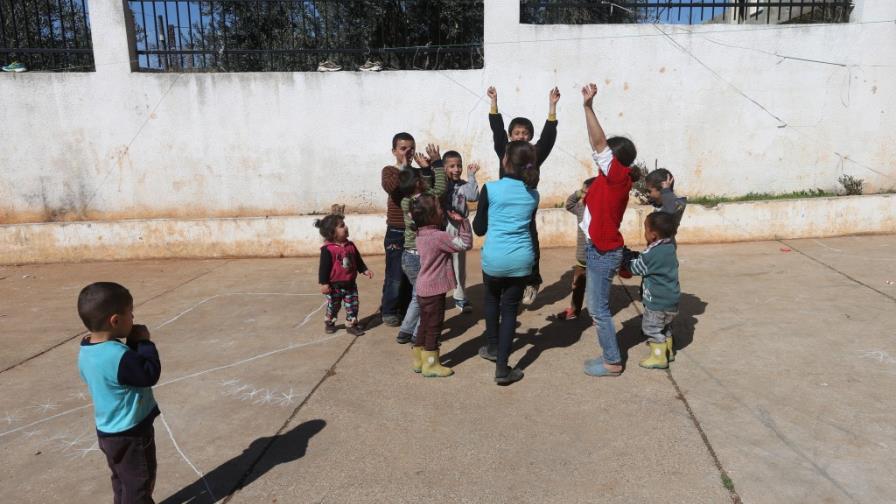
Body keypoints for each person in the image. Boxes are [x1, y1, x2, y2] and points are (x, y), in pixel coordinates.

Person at [77, 282, 161, 504]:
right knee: (139, 484)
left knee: (122, 480)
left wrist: (130, 346)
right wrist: (143, 342)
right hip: (131, 433)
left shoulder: (86, 349)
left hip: (107, 432)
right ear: (115, 320)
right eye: (130, 314)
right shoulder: (118, 355)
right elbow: (148, 374)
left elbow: (120, 373)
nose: (133, 318)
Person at [578, 82, 640, 378]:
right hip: (597, 249)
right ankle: (610, 356)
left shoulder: (617, 177)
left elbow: (599, 143)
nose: (598, 157)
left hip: (604, 252)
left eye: (605, 157)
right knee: (596, 308)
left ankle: (612, 362)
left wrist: (588, 108)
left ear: (615, 160)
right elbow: (599, 148)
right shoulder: (608, 179)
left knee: (598, 310)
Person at [472, 141, 539, 385]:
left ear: (505, 161)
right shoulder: (533, 194)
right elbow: (530, 228)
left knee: (491, 300)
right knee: (510, 309)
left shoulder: (490, 189)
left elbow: (479, 229)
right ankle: (502, 368)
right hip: (522, 260)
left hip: (494, 259)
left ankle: (491, 346)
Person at [486, 86, 561, 306]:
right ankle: (505, 285)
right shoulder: (505, 152)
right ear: (510, 137)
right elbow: (497, 130)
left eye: (525, 133)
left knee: (530, 243)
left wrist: (552, 108)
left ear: (530, 137)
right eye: (517, 133)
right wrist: (493, 104)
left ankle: (532, 281)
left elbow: (548, 138)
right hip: (502, 212)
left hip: (525, 211)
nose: (521, 136)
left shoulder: (535, 154)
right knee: (501, 246)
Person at [410, 194, 473, 377]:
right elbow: (465, 244)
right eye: (439, 209)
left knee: (424, 324)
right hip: (434, 290)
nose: (443, 211)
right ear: (431, 216)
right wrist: (464, 223)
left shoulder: (420, 234)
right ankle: (431, 364)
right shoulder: (438, 237)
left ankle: (418, 360)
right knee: (434, 327)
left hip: (422, 288)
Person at [395, 144, 447, 344]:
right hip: (421, 256)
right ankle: (418, 334)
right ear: (417, 183)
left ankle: (406, 331)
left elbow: (423, 188)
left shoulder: (407, 201)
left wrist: (422, 170)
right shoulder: (425, 200)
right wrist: (437, 163)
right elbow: (440, 189)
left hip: (408, 255)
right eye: (420, 179)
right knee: (425, 298)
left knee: (418, 296)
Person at [623, 212, 680, 369]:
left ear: (653, 235)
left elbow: (635, 268)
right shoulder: (669, 248)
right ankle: (669, 352)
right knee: (665, 327)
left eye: (645, 229)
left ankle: (658, 357)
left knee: (651, 328)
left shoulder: (651, 254)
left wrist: (625, 257)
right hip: (672, 301)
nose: (644, 233)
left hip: (657, 302)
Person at [380, 132, 421, 327]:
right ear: (394, 151)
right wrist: (404, 168)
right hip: (396, 231)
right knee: (395, 274)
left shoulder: (416, 172)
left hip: (414, 231)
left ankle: (406, 309)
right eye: (403, 148)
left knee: (410, 273)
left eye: (411, 148)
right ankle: (389, 309)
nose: (408, 152)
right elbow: (391, 188)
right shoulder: (390, 170)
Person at [316, 212, 373, 336]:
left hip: (350, 284)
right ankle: (329, 322)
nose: (346, 227)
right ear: (332, 232)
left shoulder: (350, 245)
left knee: (353, 306)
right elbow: (324, 268)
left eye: (344, 225)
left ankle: (351, 324)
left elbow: (357, 259)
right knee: (333, 307)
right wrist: (324, 283)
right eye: (342, 226)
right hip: (334, 287)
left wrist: (364, 270)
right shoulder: (328, 249)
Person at [441, 150, 480, 313]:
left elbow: (474, 196)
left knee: (459, 263)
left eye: (459, 166)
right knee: (440, 264)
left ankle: (460, 296)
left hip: (460, 228)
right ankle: (439, 296)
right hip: (443, 227)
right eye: (452, 166)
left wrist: (471, 175)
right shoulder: (441, 185)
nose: (456, 169)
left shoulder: (464, 185)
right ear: (444, 168)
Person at [556, 177, 596, 321]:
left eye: (586, 193)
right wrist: (579, 192)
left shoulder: (601, 211)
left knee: (595, 290)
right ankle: (574, 309)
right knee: (577, 286)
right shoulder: (581, 208)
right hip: (582, 258)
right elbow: (569, 204)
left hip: (597, 258)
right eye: (582, 193)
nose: (583, 196)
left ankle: (597, 315)